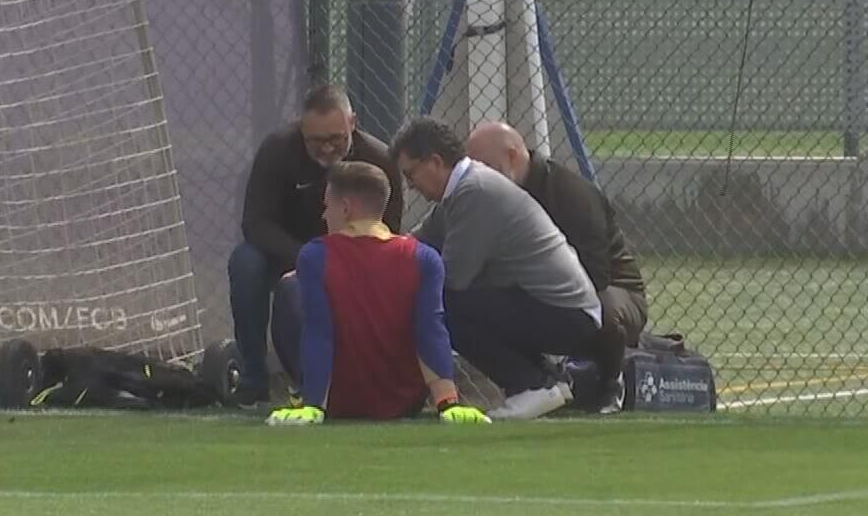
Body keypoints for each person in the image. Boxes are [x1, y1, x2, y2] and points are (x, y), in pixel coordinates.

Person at [391, 117, 604, 421]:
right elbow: (412, 246)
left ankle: (531, 385)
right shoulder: (459, 193)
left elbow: (452, 278)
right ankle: (543, 381)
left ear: (435, 162)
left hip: (569, 315)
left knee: (442, 302)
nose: (410, 185)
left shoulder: (474, 192)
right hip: (555, 308)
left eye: (411, 174)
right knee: (442, 299)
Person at [262, 161, 488, 426]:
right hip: (404, 402)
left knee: (289, 288)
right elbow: (430, 330)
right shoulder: (424, 258)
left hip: (338, 401)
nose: (324, 215)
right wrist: (447, 403)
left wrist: (314, 405)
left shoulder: (315, 255)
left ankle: (306, 396)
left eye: (328, 206)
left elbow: (319, 331)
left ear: (345, 208)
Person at [231, 85, 403, 402]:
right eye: (315, 141)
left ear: (353, 123)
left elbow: (387, 232)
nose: (326, 148)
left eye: (335, 138)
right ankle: (255, 377)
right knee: (246, 262)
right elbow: (255, 223)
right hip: (289, 252)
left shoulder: (378, 159)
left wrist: (342, 261)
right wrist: (308, 259)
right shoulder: (278, 150)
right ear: (301, 128)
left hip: (356, 258)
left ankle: (363, 376)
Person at [466, 121, 648, 406]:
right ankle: (535, 382)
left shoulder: (571, 195)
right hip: (540, 287)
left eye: (486, 167)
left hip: (613, 287)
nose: (480, 176)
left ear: (513, 156)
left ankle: (611, 382)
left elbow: (596, 274)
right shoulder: (487, 197)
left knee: (600, 309)